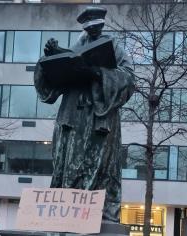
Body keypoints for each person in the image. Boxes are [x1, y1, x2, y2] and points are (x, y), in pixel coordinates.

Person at [34, 6, 134, 223]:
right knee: (68, 160)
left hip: (99, 116)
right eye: (91, 27)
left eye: (98, 26)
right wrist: (48, 59)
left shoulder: (114, 47)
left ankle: (97, 210)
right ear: (85, 28)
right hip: (72, 116)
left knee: (98, 163)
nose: (95, 30)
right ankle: (67, 209)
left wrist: (96, 72)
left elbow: (128, 79)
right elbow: (50, 86)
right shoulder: (74, 48)